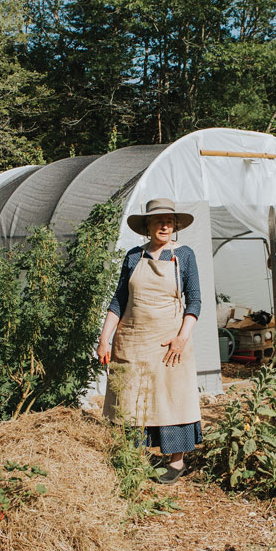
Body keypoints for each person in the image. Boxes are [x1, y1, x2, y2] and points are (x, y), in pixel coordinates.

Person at [98, 198, 202, 484]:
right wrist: (104, 339)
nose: (164, 225)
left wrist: (182, 338)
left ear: (175, 225)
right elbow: (119, 300)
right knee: (132, 397)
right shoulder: (134, 256)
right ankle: (135, 457)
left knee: (172, 398)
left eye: (169, 221)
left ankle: (176, 461)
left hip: (171, 342)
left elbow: (195, 301)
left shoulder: (184, 255)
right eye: (158, 221)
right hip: (134, 339)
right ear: (147, 226)